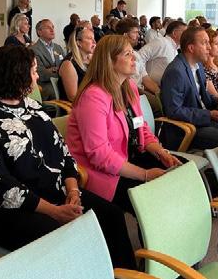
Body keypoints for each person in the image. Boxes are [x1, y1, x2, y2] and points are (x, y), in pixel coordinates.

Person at [0, 45, 136, 269]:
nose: (37, 77)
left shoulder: (33, 107)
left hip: (55, 192)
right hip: (6, 208)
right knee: (67, 237)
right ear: (16, 75)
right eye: (33, 71)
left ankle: (122, 274)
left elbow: (64, 153)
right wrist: (54, 211)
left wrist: (73, 192)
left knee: (111, 215)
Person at [66, 35, 181, 213]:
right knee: (157, 200)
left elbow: (141, 127)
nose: (134, 57)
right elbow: (100, 155)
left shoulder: (129, 87)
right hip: (103, 173)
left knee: (179, 170)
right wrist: (145, 175)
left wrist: (160, 152)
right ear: (109, 61)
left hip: (129, 156)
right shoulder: (93, 97)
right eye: (127, 54)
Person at [161, 27, 218, 150]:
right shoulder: (176, 72)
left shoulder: (198, 65)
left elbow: (203, 97)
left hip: (202, 121)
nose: (209, 47)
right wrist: (208, 114)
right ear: (191, 48)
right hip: (187, 129)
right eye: (205, 43)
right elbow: (174, 111)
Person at [116, 18, 161, 113]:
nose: (138, 35)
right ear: (125, 35)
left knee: (163, 101)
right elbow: (125, 84)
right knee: (158, 106)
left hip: (140, 91)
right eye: (135, 32)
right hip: (129, 92)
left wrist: (159, 93)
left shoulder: (136, 54)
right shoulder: (118, 56)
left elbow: (146, 79)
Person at [138, 20, 187, 85]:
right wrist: (146, 80)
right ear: (175, 33)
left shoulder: (175, 48)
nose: (187, 36)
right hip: (153, 88)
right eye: (185, 33)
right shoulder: (161, 42)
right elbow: (138, 57)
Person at [58, 27, 96, 102]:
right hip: (75, 105)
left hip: (92, 100)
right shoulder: (68, 64)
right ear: (78, 43)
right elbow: (73, 97)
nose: (94, 42)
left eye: (94, 38)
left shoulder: (92, 59)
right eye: (89, 38)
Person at [31, 19, 66, 100]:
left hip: (61, 82)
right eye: (48, 27)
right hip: (45, 85)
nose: (52, 30)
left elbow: (66, 65)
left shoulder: (58, 47)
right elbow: (41, 74)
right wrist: (60, 70)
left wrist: (52, 69)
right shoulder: (34, 50)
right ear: (39, 32)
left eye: (53, 27)